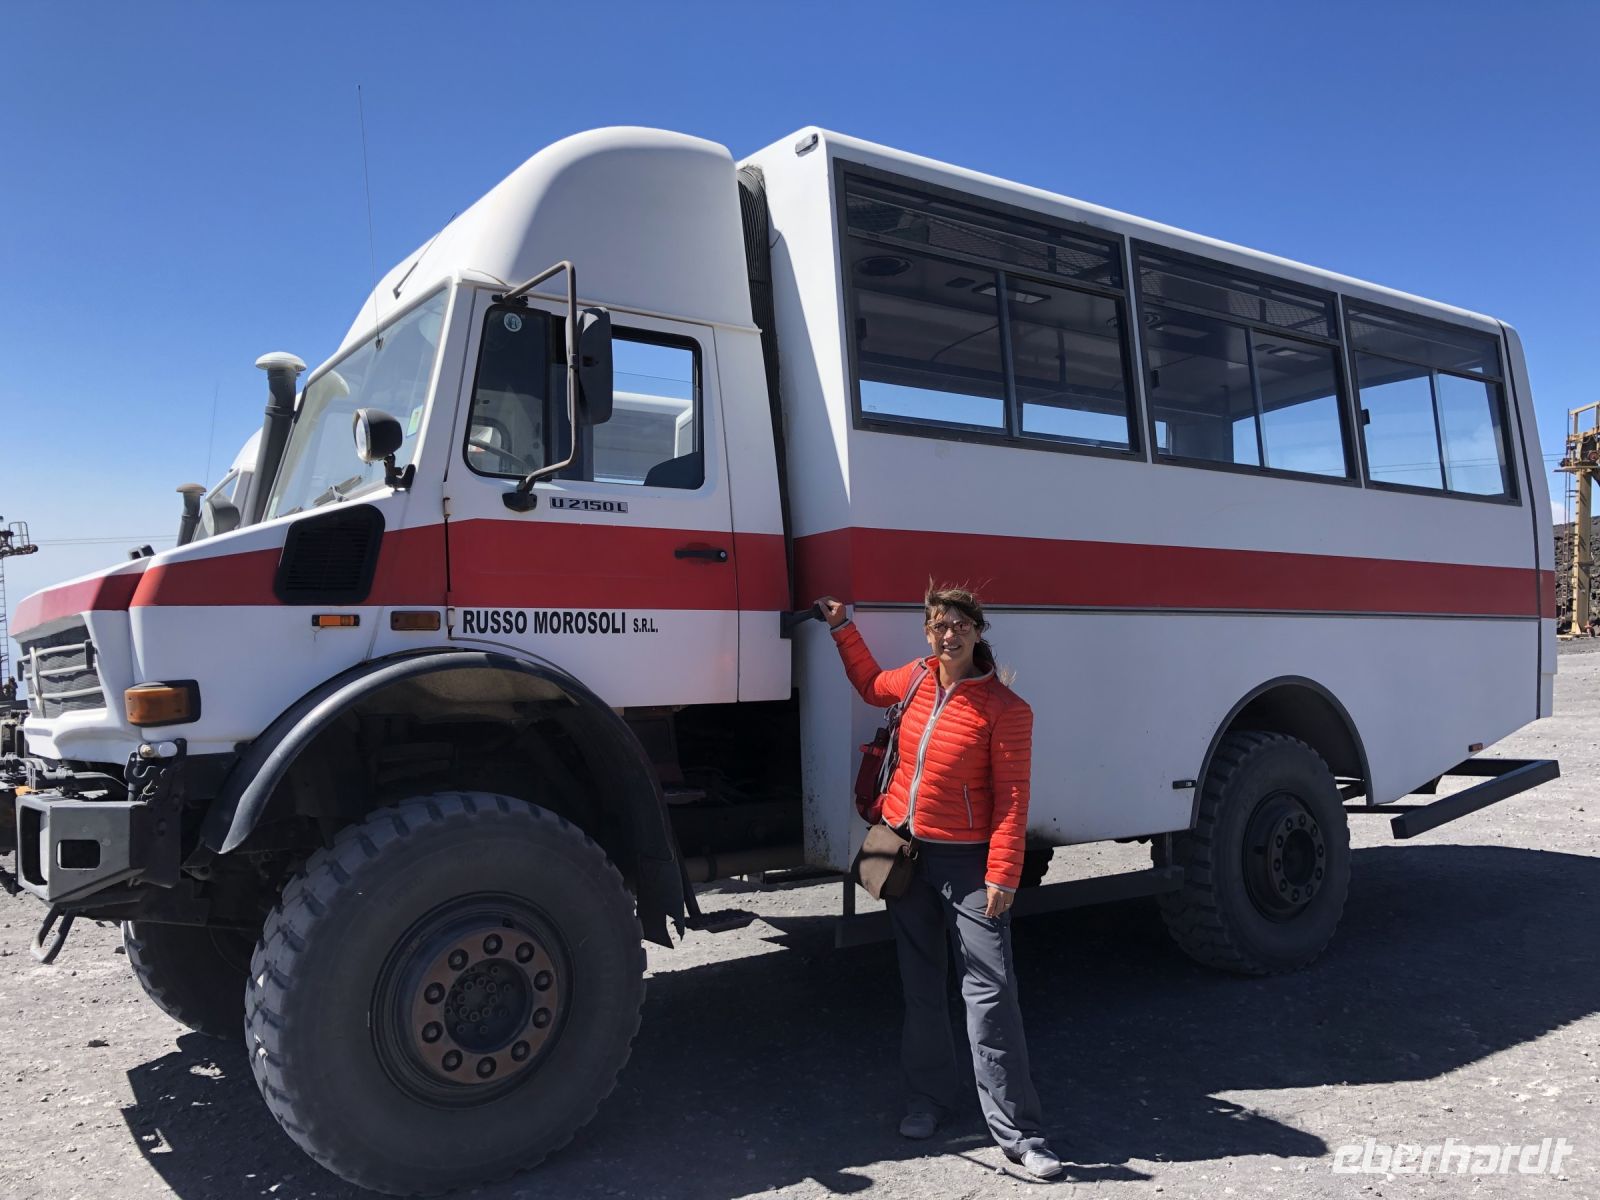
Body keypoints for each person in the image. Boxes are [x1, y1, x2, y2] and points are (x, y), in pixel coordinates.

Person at [818, 585, 1064, 1181]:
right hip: (909, 858)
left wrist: (1002, 873)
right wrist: (842, 626)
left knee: (990, 995)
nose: (946, 634)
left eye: (957, 624)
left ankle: (1020, 1132)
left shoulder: (1006, 708)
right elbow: (869, 684)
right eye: (936, 625)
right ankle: (929, 1101)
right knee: (921, 984)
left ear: (978, 630)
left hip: (968, 865)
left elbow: (1011, 801)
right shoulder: (914, 680)